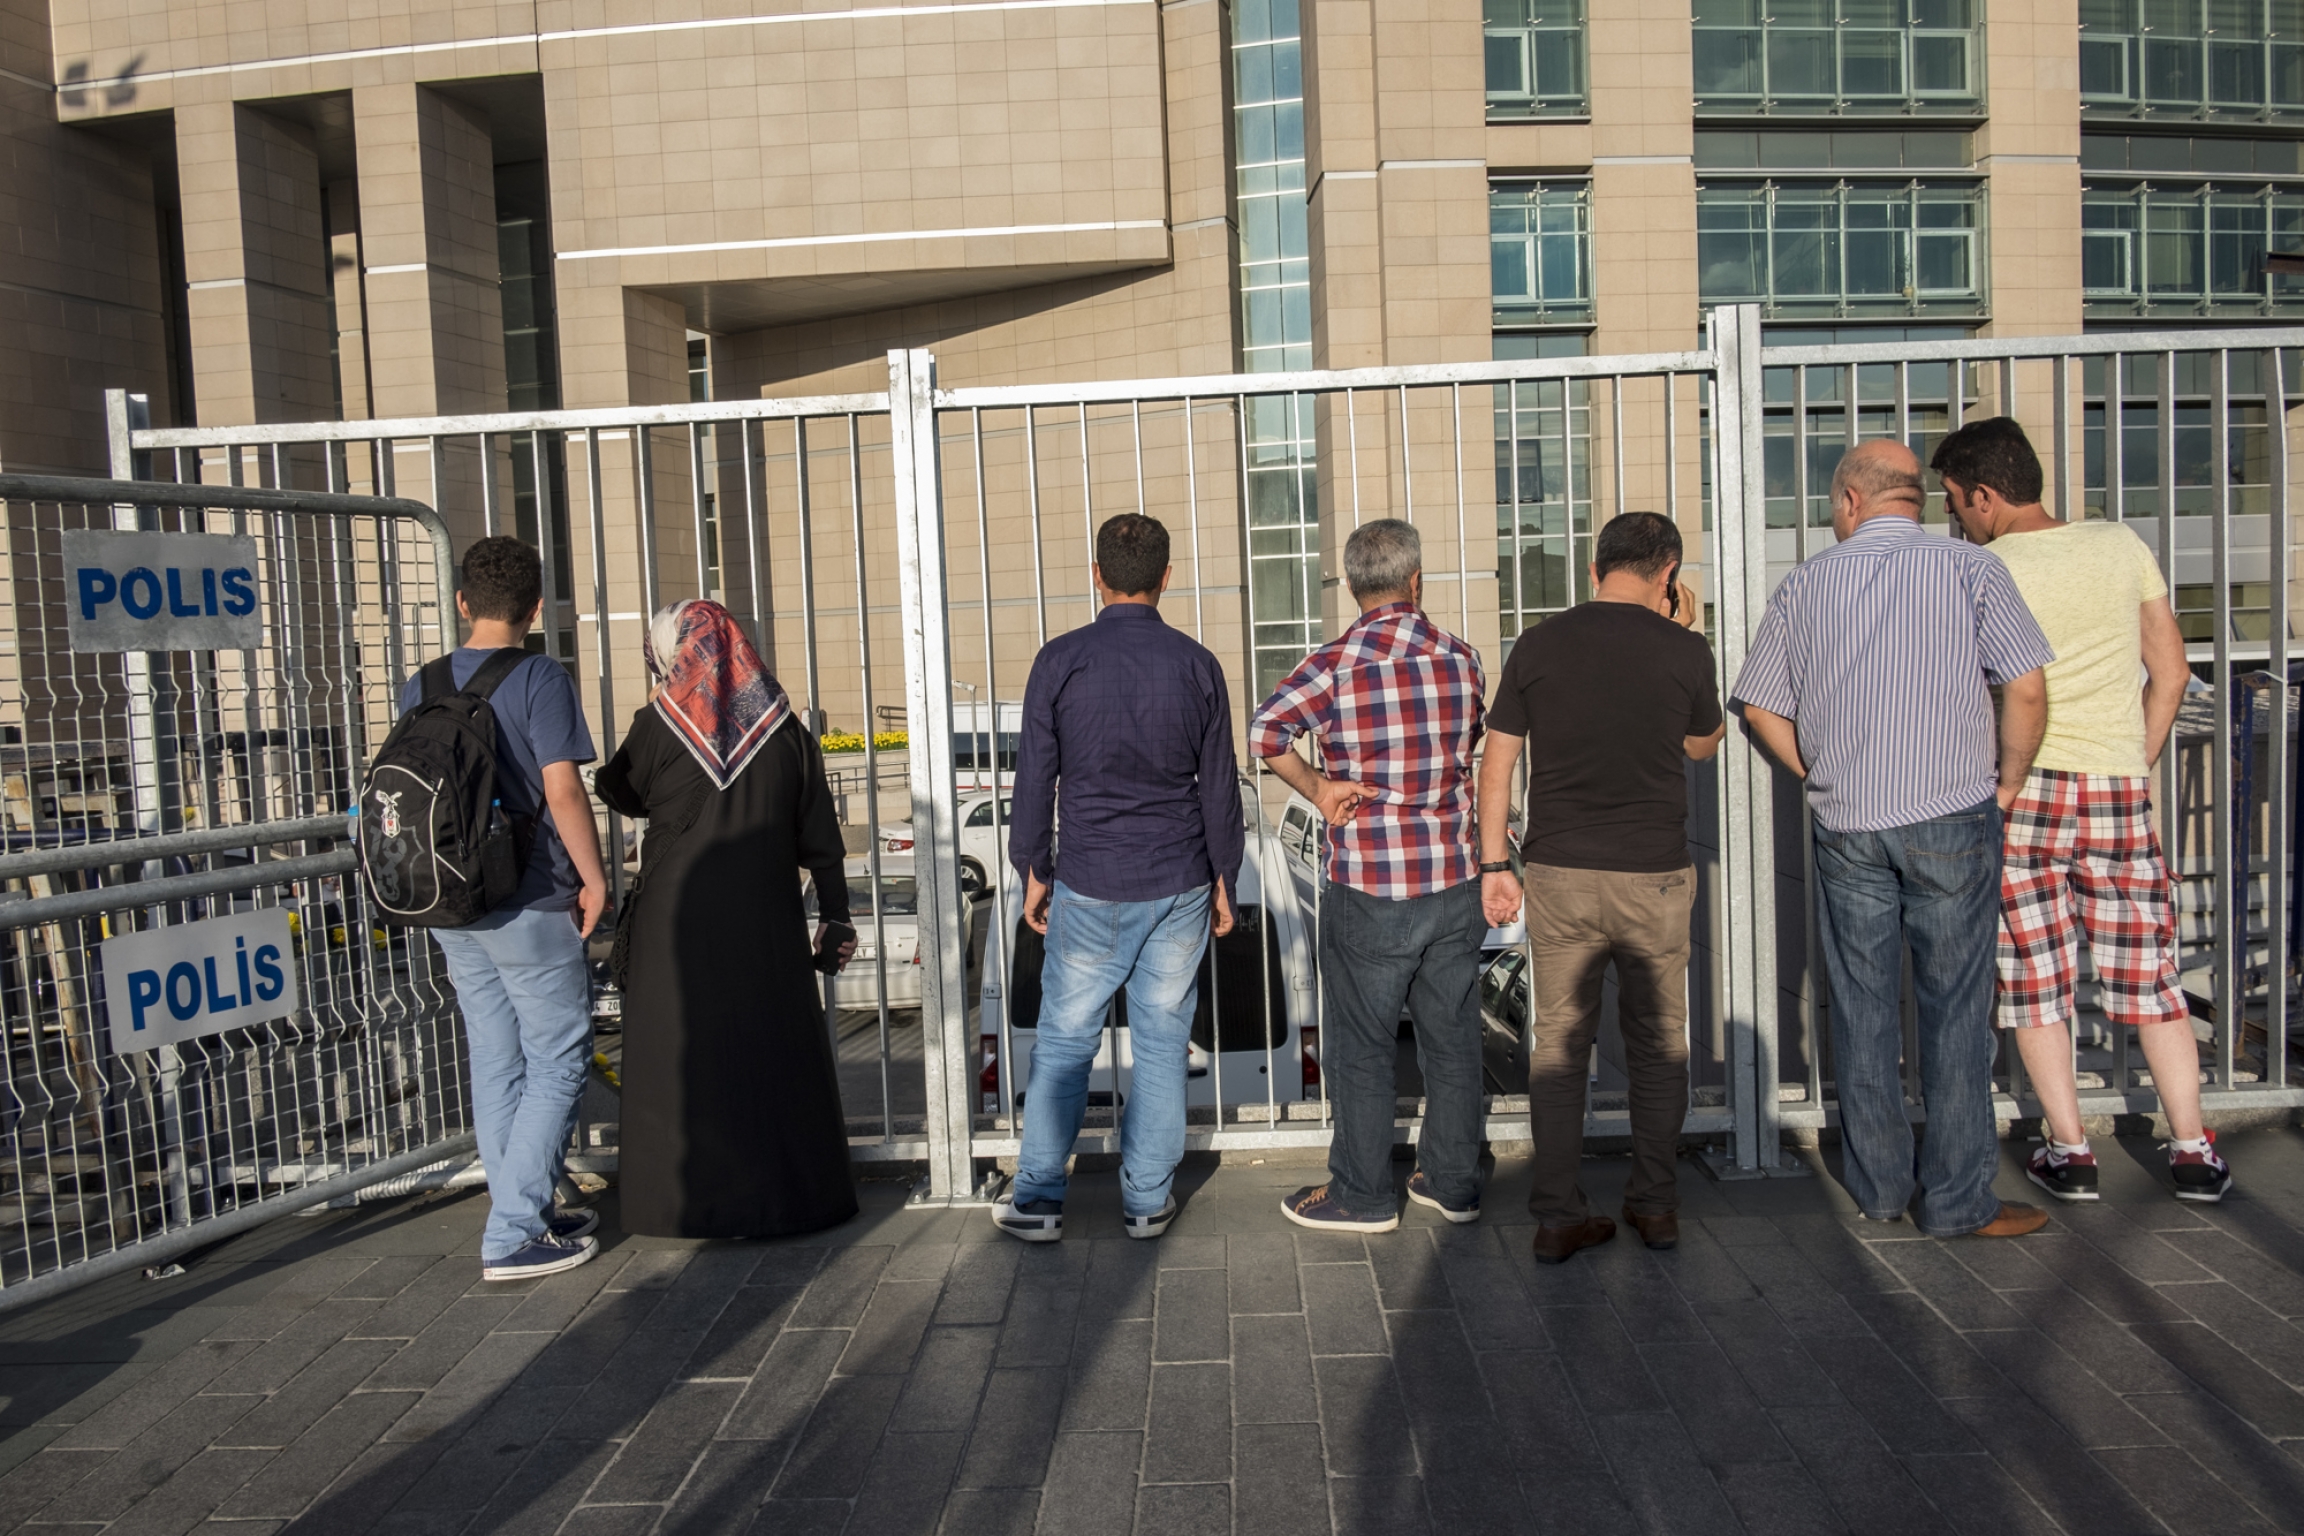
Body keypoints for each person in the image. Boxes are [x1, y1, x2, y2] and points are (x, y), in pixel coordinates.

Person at [1731, 441, 2057, 1239]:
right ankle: (1957, 1202)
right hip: (1952, 813)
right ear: (1915, 500)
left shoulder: (1807, 582)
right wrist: (2006, 781)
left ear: (1849, 501)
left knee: (1863, 1005)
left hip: (1848, 821)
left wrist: (1819, 767)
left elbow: (1757, 703)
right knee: (1955, 1011)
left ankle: (1879, 1190)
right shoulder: (1973, 571)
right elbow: (2026, 685)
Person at [1932, 418, 2230, 1204]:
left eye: (1957, 503)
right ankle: (2194, 1150)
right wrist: (2134, 756)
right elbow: (2170, 675)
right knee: (2149, 977)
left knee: (2034, 980)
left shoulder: (1983, 570)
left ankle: (2072, 1154)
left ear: (1987, 495)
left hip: (2021, 787)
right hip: (2114, 786)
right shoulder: (2119, 544)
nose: (1956, 518)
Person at [1478, 512, 1724, 1263]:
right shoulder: (1686, 648)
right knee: (1656, 1047)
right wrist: (1683, 629)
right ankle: (1654, 1207)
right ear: (1669, 574)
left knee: (1559, 1046)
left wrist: (1495, 867)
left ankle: (1557, 1214)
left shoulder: (1540, 644)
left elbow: (1497, 764)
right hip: (1652, 875)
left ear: (1594, 570)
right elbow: (1700, 744)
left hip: (1559, 874)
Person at [994, 514, 1243, 1243]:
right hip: (1179, 881)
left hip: (1092, 877)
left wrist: (1032, 868)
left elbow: (1035, 778)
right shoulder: (1198, 665)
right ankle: (1146, 1202)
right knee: (1163, 1045)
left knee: (1066, 1042)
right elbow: (1219, 786)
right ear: (1168, 577)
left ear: (1096, 575)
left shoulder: (1061, 660)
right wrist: (1223, 873)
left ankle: (1038, 1202)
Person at [593, 598, 863, 1239]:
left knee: (681, 1057)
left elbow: (620, 790)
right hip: (765, 920)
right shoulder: (787, 731)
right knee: (769, 1057)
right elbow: (821, 837)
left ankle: (682, 1205)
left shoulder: (658, 724)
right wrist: (837, 917)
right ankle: (785, 1201)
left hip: (673, 922)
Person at [1251, 518, 1488, 1234]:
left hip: (1370, 881)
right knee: (1452, 1040)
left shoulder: (1333, 662)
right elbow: (1471, 745)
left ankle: (1362, 1192)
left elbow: (1266, 733)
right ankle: (1453, 1182)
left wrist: (1321, 789)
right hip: (1453, 875)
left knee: (1362, 1044)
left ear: (1352, 588)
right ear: (1417, 581)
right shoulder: (1463, 658)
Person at [401, 536, 609, 1282]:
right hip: (527, 896)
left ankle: (523, 1211)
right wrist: (595, 878)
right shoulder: (539, 677)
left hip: (447, 898)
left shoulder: (419, 683)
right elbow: (561, 788)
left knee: (496, 1058)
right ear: (535, 609)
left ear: (463, 601)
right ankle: (515, 1230)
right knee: (557, 1059)